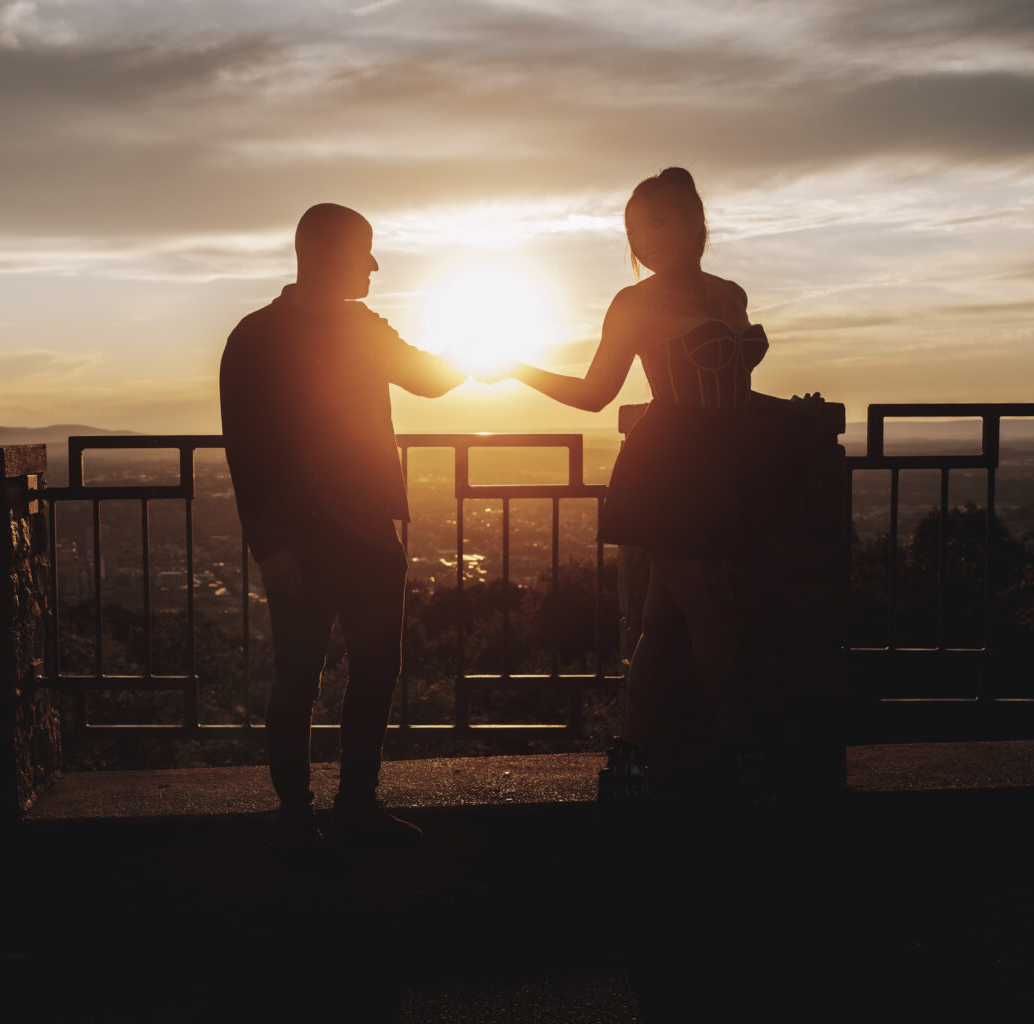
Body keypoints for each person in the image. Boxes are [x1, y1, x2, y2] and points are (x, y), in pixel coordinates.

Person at [487, 167, 803, 800]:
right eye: (635, 230)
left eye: (657, 222)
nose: (646, 240)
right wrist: (516, 368)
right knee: (711, 608)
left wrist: (792, 411)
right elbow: (596, 394)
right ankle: (746, 752)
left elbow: (735, 394)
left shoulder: (731, 293)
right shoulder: (634, 303)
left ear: (693, 220)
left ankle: (629, 760)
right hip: (671, 469)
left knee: (664, 626)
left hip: (724, 471)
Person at [220, 203, 466, 856]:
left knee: (374, 668)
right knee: (300, 676)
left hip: (363, 534)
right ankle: (300, 816)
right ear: (326, 253)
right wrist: (271, 548)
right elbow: (246, 454)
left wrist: (475, 345)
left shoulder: (347, 329)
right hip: (301, 544)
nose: (374, 264)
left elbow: (428, 378)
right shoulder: (257, 338)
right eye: (364, 251)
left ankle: (352, 807)